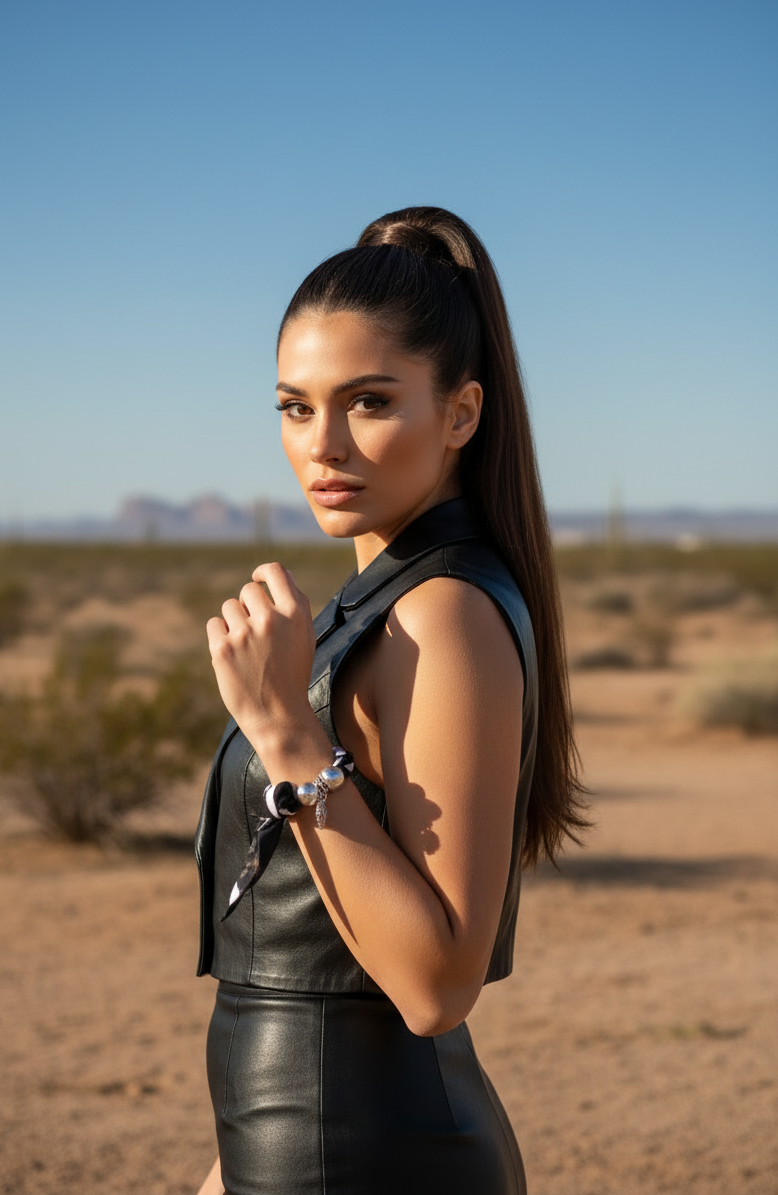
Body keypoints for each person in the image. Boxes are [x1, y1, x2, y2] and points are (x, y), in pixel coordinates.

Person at [194, 206, 586, 1195]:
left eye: (369, 402)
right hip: (299, 1148)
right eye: (294, 406)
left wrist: (282, 731)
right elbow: (308, 967)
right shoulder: (385, 600)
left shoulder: (441, 615)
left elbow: (436, 985)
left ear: (459, 412)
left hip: (368, 1161)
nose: (322, 444)